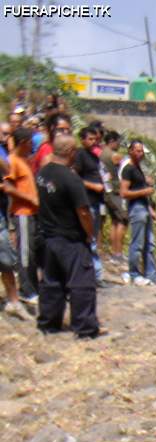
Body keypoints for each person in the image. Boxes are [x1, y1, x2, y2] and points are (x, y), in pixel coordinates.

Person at [36, 135, 101, 337]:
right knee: (82, 283)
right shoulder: (70, 178)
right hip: (70, 238)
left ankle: (49, 323)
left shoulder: (43, 173)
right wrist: (90, 234)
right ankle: (85, 327)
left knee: (52, 283)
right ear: (71, 152)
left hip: (49, 237)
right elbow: (83, 211)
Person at [120, 140, 156, 286]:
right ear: (130, 151)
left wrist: (151, 210)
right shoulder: (128, 169)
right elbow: (124, 192)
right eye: (137, 151)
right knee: (137, 243)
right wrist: (144, 191)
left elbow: (141, 193)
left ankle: (151, 273)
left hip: (143, 208)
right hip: (136, 209)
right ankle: (134, 273)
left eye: (141, 151)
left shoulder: (137, 168)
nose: (140, 154)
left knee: (150, 242)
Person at [3, 127, 39, 304]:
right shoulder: (13, 161)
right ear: (24, 142)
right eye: (31, 142)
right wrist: (30, 198)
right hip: (22, 212)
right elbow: (8, 187)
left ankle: (32, 287)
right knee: (25, 253)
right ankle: (26, 290)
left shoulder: (24, 160)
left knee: (32, 252)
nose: (33, 145)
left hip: (31, 213)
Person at [0, 123, 29, 321]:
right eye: (4, 134)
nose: (6, 137)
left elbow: (8, 168)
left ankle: (14, 301)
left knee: (6, 260)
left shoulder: (5, 152)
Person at [73, 127, 105, 286]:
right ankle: (95, 275)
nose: (94, 142)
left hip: (96, 201)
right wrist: (93, 186)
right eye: (90, 139)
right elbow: (75, 177)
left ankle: (95, 274)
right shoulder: (80, 155)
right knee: (89, 237)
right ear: (83, 140)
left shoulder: (94, 156)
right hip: (87, 201)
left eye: (95, 139)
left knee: (94, 237)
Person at [99, 130, 127, 263]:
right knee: (121, 221)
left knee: (114, 222)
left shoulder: (101, 153)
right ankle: (118, 252)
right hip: (115, 191)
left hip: (106, 191)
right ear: (112, 141)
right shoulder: (115, 156)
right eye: (118, 142)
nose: (119, 145)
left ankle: (114, 252)